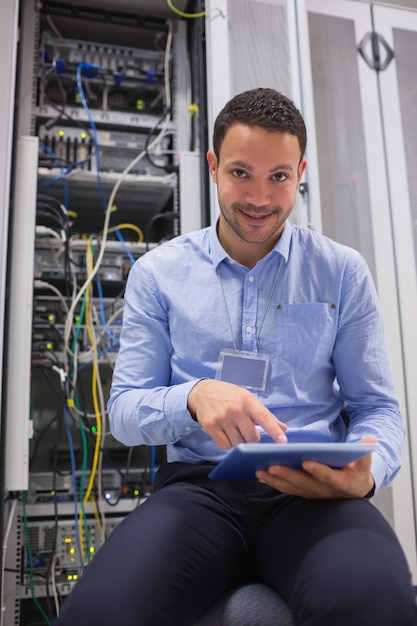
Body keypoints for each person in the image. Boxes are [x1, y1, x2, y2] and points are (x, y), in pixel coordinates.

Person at [56, 88, 417, 625]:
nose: (259, 197)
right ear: (212, 165)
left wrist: (365, 473)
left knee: (376, 604)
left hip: (310, 494)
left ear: (301, 172)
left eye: (279, 177)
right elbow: (126, 414)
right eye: (241, 173)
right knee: (99, 613)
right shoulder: (159, 274)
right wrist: (194, 397)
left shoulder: (342, 271)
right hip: (201, 492)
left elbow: (378, 409)